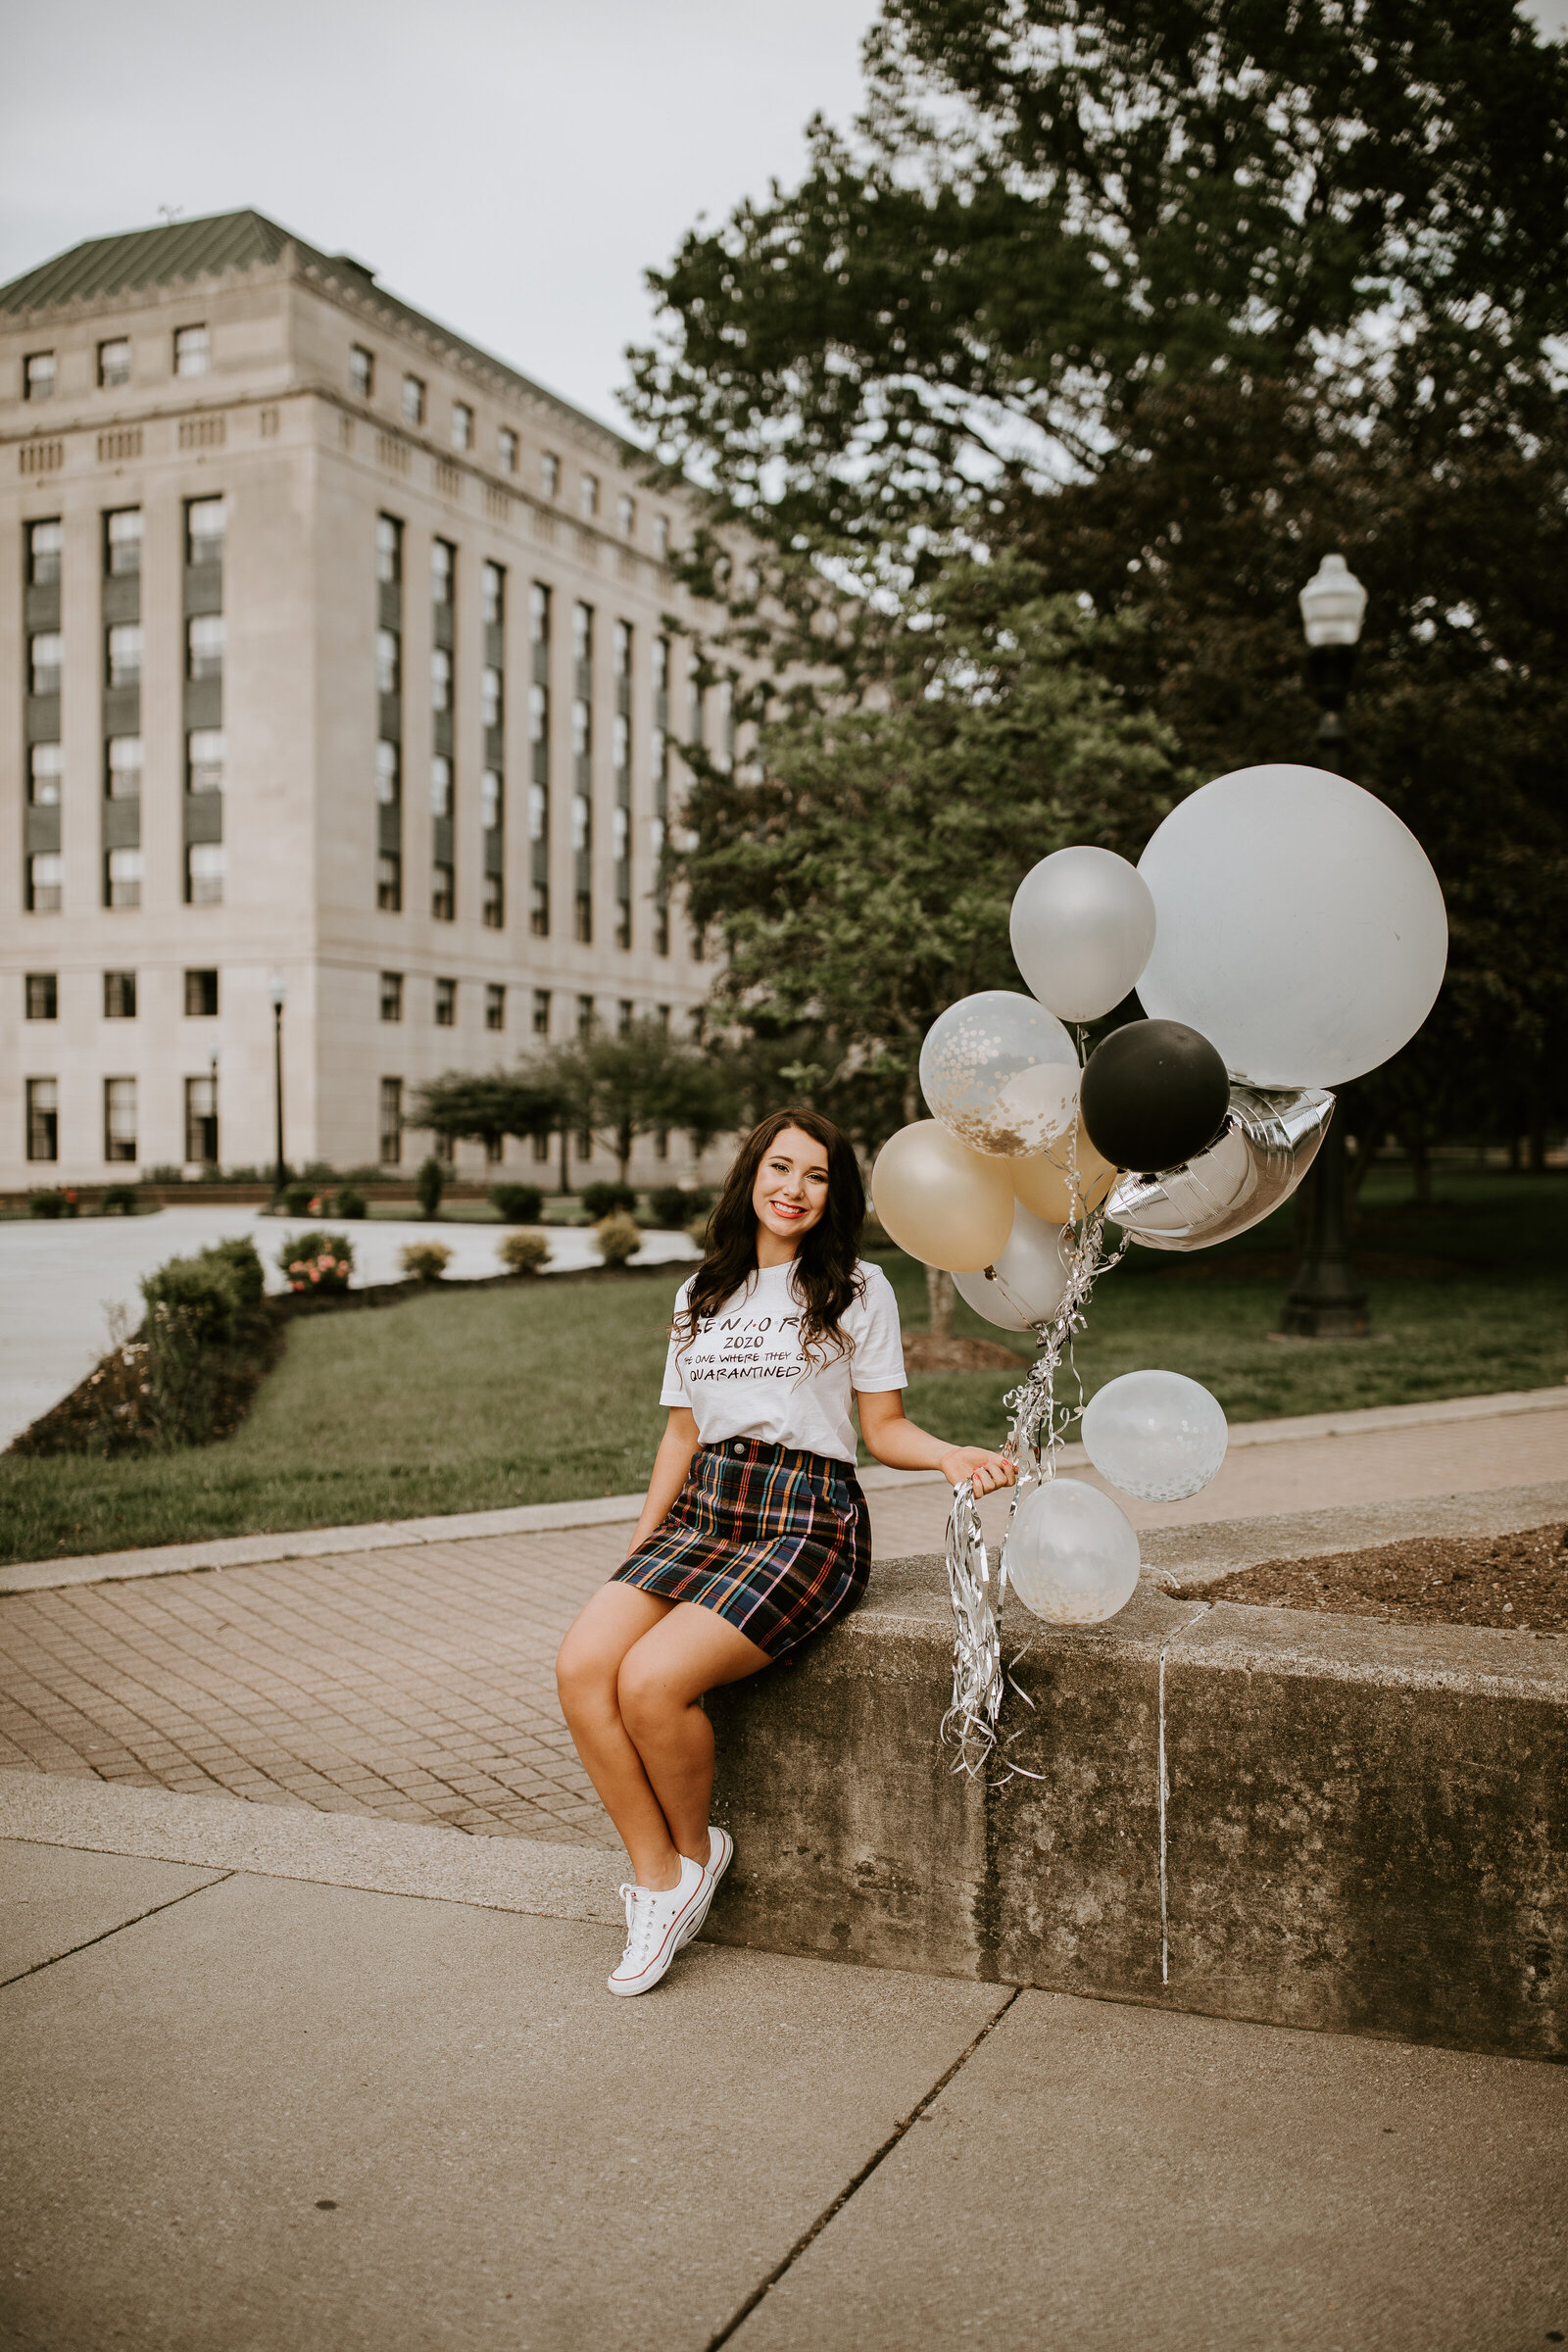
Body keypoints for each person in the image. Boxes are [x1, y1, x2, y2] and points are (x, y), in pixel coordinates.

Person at [556, 1106, 1014, 1997]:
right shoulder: (700, 1293)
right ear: (751, 1176)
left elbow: (881, 1429)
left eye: (816, 1176)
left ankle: (692, 1856)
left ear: (833, 1194)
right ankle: (664, 1878)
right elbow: (681, 1433)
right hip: (705, 1508)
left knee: (651, 1683)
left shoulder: (855, 1287)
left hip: (808, 1518)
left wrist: (950, 1456)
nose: (794, 1190)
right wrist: (644, 1540)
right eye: (780, 1168)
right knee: (582, 1669)